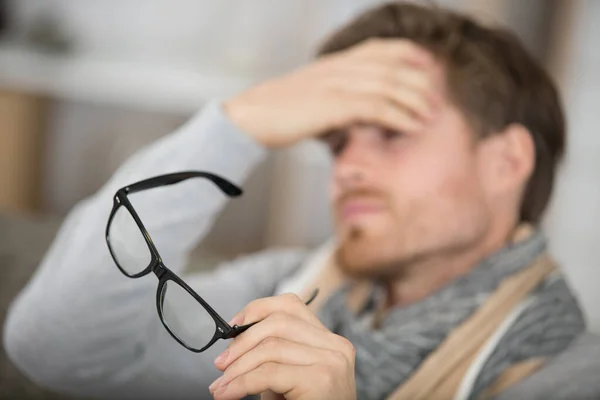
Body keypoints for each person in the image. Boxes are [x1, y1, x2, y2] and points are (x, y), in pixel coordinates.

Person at [3, 2, 593, 399]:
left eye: (392, 134)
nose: (348, 168)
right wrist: (239, 124)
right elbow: (55, 346)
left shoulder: (571, 374)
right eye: (336, 143)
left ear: (507, 162)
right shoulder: (288, 288)